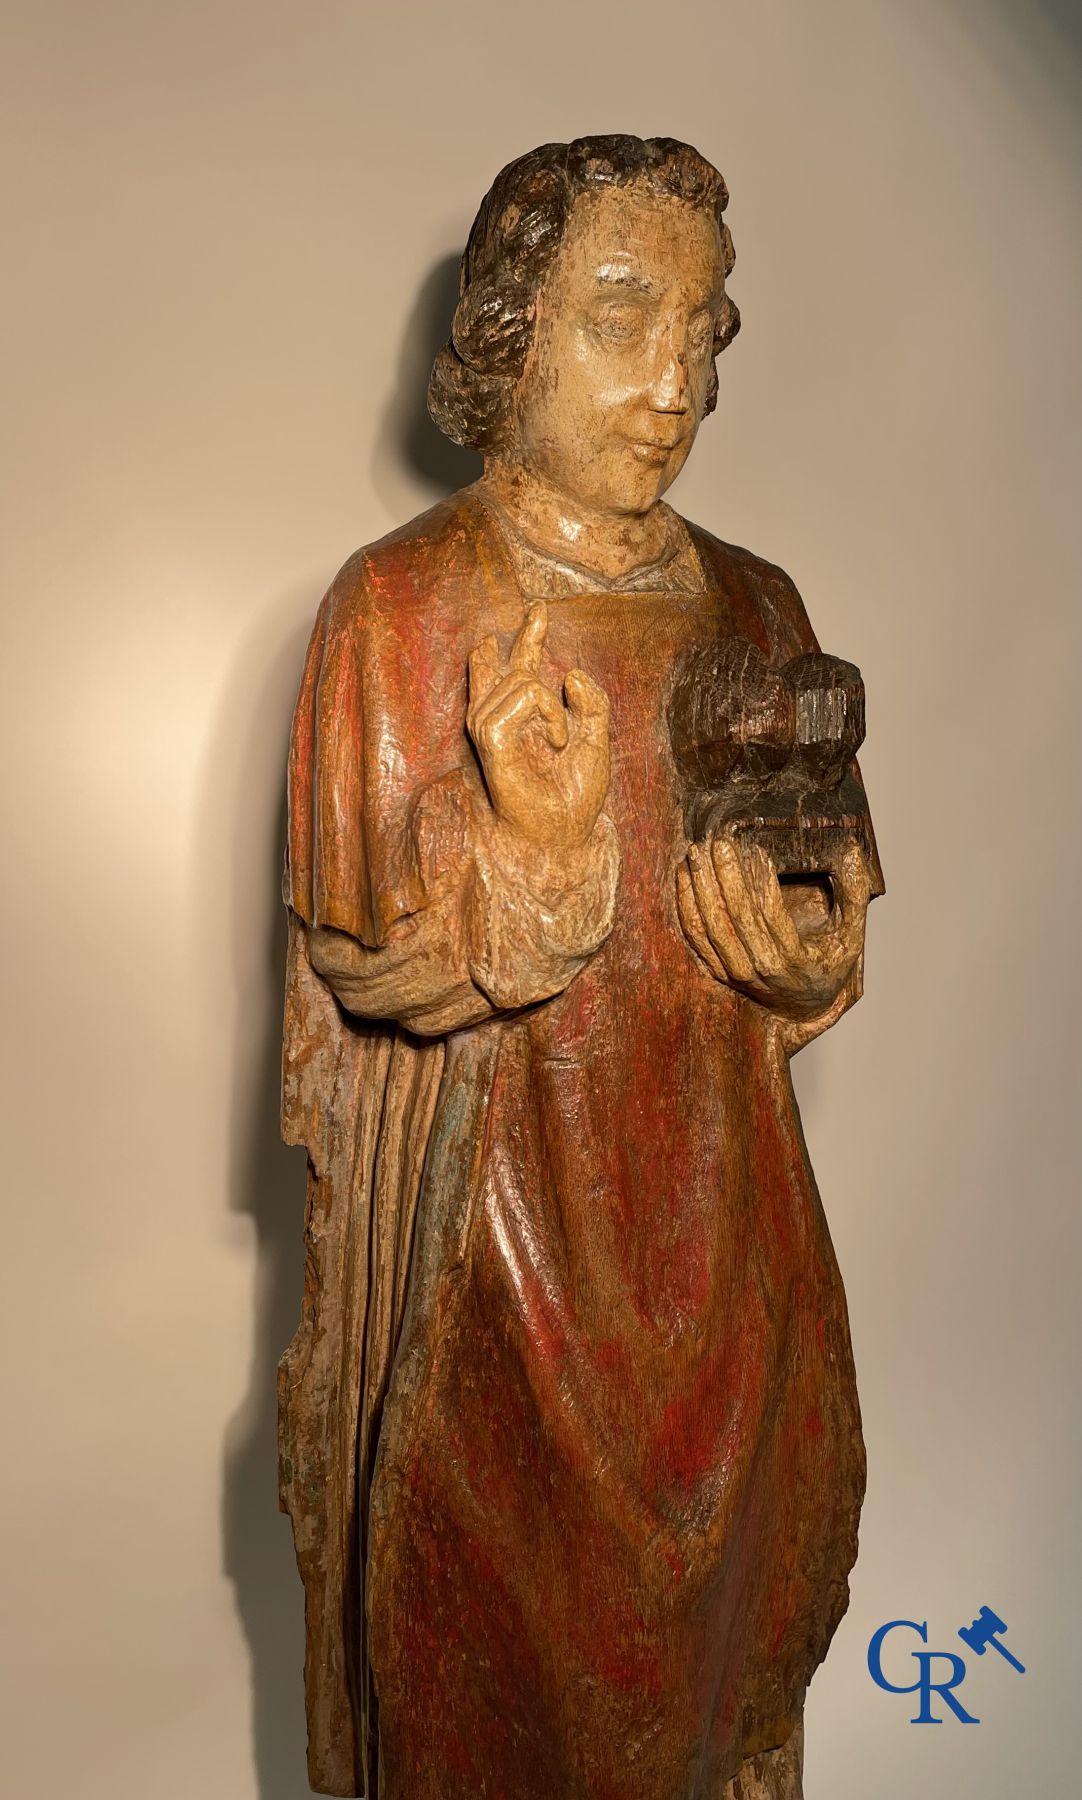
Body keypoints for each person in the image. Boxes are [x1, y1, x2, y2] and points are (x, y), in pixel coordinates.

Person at [279, 134, 883, 1800]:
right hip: (500, 1266)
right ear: (510, 333)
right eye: (621, 319)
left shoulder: (755, 606)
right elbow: (362, 955)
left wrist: (810, 951)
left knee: (728, 1665)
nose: (671, 382)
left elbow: (827, 886)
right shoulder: (402, 609)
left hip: (731, 1244)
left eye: (700, 329)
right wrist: (536, 867)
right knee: (504, 1678)